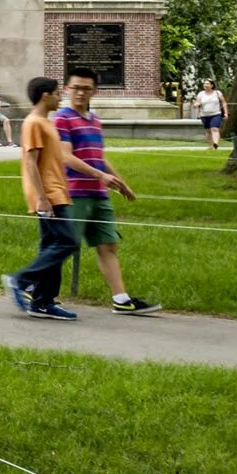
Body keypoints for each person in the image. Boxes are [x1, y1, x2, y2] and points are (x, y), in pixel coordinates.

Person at [54, 67, 161, 315]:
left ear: (94, 91)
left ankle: (121, 300)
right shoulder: (62, 118)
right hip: (75, 192)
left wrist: (121, 183)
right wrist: (100, 175)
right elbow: (65, 157)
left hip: (98, 194)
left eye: (86, 88)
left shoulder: (94, 120)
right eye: (76, 87)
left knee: (108, 245)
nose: (80, 93)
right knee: (64, 246)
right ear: (67, 89)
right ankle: (40, 291)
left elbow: (98, 156)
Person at [2, 76, 84, 320]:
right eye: (58, 93)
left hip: (57, 191)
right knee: (68, 242)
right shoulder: (34, 123)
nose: (61, 97)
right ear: (45, 95)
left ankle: (43, 302)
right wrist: (42, 197)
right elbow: (30, 162)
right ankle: (21, 280)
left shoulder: (45, 123)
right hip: (48, 194)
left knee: (52, 246)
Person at [193, 78, 226, 150]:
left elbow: (224, 102)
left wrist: (226, 113)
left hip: (216, 114)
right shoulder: (201, 94)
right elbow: (198, 102)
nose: (205, 85)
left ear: (212, 85)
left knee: (215, 129)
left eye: (207, 84)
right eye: (204, 84)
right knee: (208, 131)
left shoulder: (217, 93)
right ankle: (211, 145)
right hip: (204, 115)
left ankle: (215, 144)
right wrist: (196, 105)